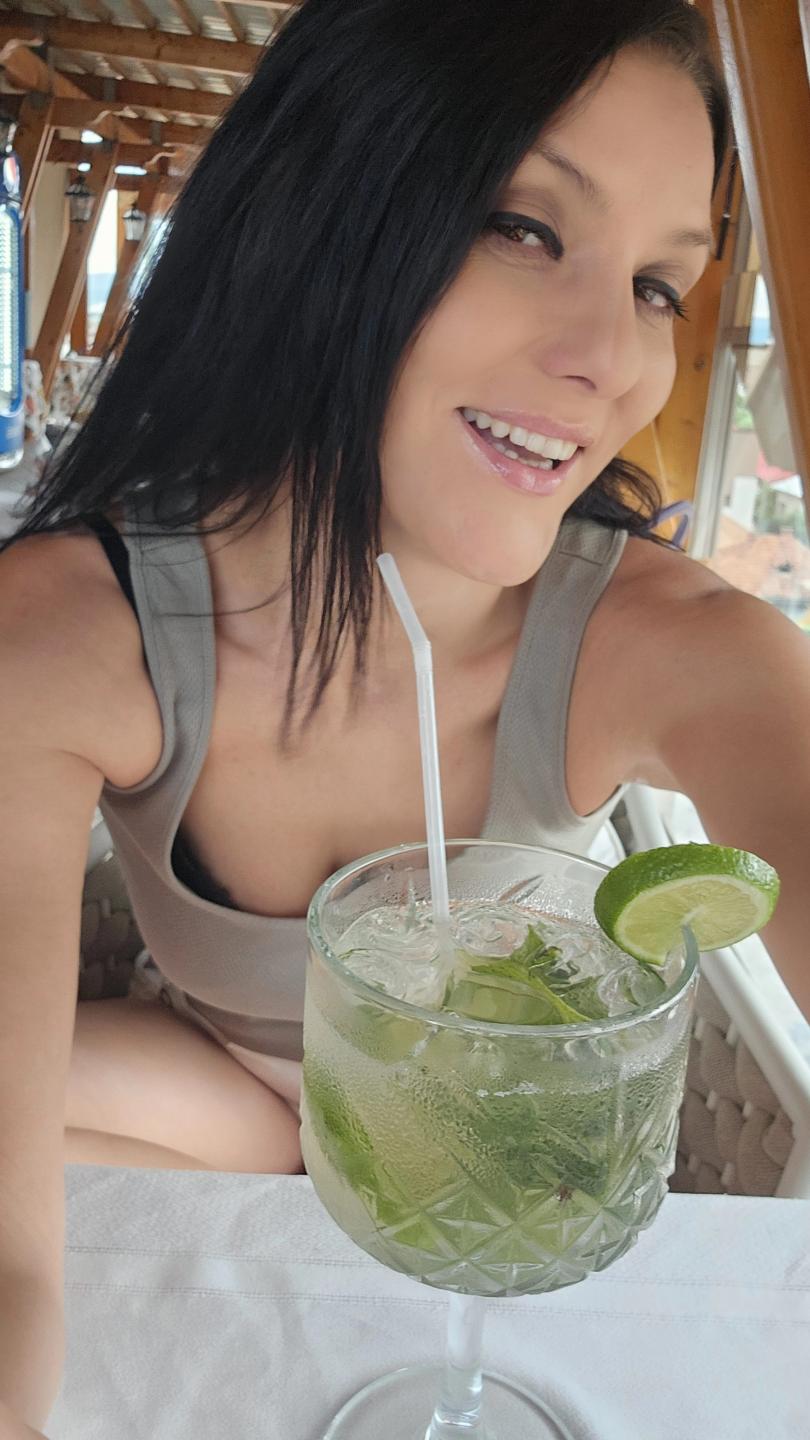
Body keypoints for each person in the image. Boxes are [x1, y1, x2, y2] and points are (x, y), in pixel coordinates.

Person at [2, 0, 809, 1432]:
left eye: (654, 286)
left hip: (495, 1173)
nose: (612, 360)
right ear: (313, 213)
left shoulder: (678, 645)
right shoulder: (74, 633)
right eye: (523, 226)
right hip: (224, 1108)